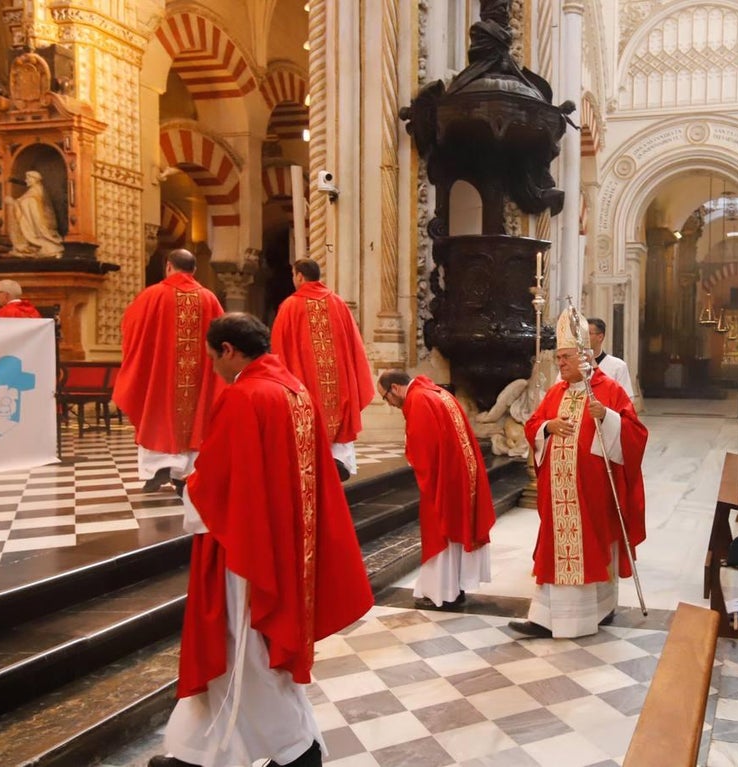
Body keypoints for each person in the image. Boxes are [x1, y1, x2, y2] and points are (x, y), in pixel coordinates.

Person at [149, 313, 373, 767]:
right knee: (244, 650)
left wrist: (189, 486)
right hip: (283, 538)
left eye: (213, 359)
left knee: (245, 648)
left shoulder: (246, 396)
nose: (212, 368)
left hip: (249, 548)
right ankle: (200, 751)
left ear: (229, 350)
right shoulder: (293, 390)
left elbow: (219, 481)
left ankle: (297, 751)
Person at [509, 308, 648, 638]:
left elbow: (636, 434)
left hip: (592, 493)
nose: (560, 364)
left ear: (585, 356)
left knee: (590, 549)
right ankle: (543, 617)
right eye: (558, 358)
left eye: (566, 357)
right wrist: (547, 426)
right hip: (558, 494)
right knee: (554, 551)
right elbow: (532, 425)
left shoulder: (608, 389)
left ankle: (596, 611)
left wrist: (607, 417)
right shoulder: (556, 392)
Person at [377, 369, 496, 609]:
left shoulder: (419, 400)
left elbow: (424, 450)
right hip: (459, 474)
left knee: (441, 530)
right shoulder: (437, 392)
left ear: (395, 389)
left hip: (444, 478)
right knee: (455, 530)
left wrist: (415, 461)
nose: (388, 403)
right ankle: (455, 588)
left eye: (385, 397)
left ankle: (444, 594)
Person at [113, 249, 224, 493]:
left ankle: (157, 470)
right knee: (196, 418)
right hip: (197, 379)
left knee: (157, 415)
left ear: (168, 266)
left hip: (159, 376)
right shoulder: (209, 299)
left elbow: (130, 329)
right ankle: (185, 474)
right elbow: (223, 336)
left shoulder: (151, 296)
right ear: (193, 270)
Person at [271, 258, 376, 481]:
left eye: (293, 275)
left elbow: (279, 352)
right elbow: (355, 346)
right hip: (340, 390)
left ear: (299, 276)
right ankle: (336, 466)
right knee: (336, 447)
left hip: (304, 389)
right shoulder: (338, 303)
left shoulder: (289, 307)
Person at [6, 170, 64, 257]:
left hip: (40, 222)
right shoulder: (33, 190)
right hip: (33, 221)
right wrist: (14, 203)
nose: (26, 180)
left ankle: (41, 244)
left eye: (28, 178)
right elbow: (22, 202)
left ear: (34, 179)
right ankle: (30, 246)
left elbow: (30, 206)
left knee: (41, 238)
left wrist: (14, 203)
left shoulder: (36, 191)